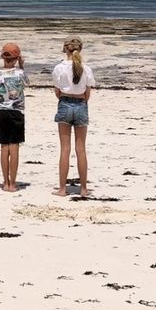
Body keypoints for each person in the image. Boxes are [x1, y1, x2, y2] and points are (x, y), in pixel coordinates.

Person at [51, 36, 95, 197]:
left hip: (64, 103)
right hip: (81, 104)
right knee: (81, 149)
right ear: (80, 49)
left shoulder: (59, 68)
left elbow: (57, 92)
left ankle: (62, 189)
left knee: (65, 149)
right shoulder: (86, 68)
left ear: (65, 49)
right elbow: (87, 93)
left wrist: (66, 99)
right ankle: (83, 189)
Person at [0, 42, 30, 192]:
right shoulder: (20, 74)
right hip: (16, 112)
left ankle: (5, 182)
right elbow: (27, 82)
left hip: (2, 112)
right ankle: (12, 184)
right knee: (14, 148)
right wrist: (21, 66)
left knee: (4, 147)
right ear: (16, 58)